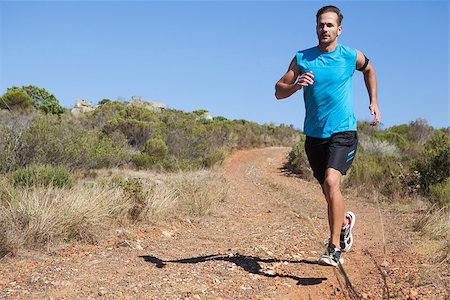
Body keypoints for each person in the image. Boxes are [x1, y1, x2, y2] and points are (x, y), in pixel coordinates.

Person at [275, 5, 380, 266]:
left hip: (343, 131)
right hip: (314, 135)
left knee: (333, 183)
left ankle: (334, 248)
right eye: (321, 24)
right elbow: (278, 90)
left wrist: (374, 101)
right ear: (316, 28)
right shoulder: (302, 58)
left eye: (330, 25)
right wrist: (296, 85)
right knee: (327, 190)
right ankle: (344, 223)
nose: (324, 29)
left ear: (339, 29)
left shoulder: (349, 55)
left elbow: (369, 69)